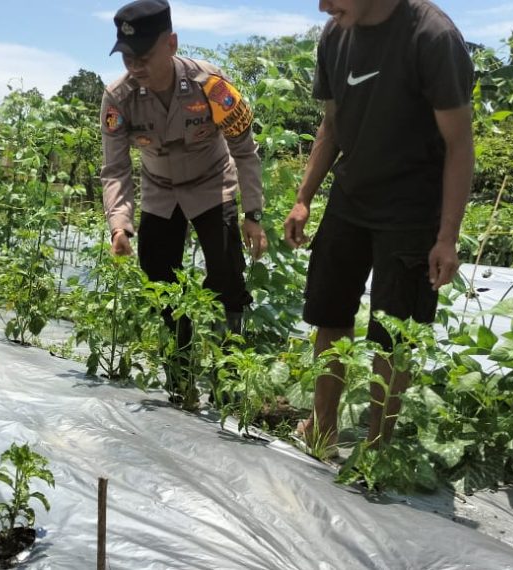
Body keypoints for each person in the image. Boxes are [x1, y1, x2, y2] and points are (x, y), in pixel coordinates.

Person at [283, 0, 475, 452]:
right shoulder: (334, 35)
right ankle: (322, 430)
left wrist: (447, 237)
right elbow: (331, 126)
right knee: (329, 314)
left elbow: (459, 144)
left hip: (412, 210)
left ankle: (376, 449)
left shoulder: (432, 37)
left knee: (393, 335)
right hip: (350, 200)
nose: (322, 5)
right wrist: (303, 198)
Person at [100, 0, 268, 399]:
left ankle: (230, 376)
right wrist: (119, 224)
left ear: (171, 43)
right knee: (159, 275)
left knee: (227, 274)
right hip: (160, 190)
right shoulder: (118, 98)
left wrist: (253, 213)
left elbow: (245, 150)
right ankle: (180, 370)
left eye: (144, 56)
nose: (135, 66)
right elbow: (116, 169)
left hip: (212, 184)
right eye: (127, 57)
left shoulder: (212, 85)